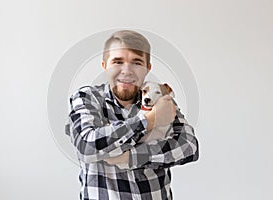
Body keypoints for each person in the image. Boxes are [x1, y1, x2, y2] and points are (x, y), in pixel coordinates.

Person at [65, 30, 199, 200]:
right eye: (118, 61)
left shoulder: (160, 99)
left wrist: (129, 157)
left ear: (147, 68)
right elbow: (87, 147)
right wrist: (150, 120)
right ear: (105, 65)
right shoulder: (87, 98)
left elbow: (189, 147)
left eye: (136, 62)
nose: (126, 71)